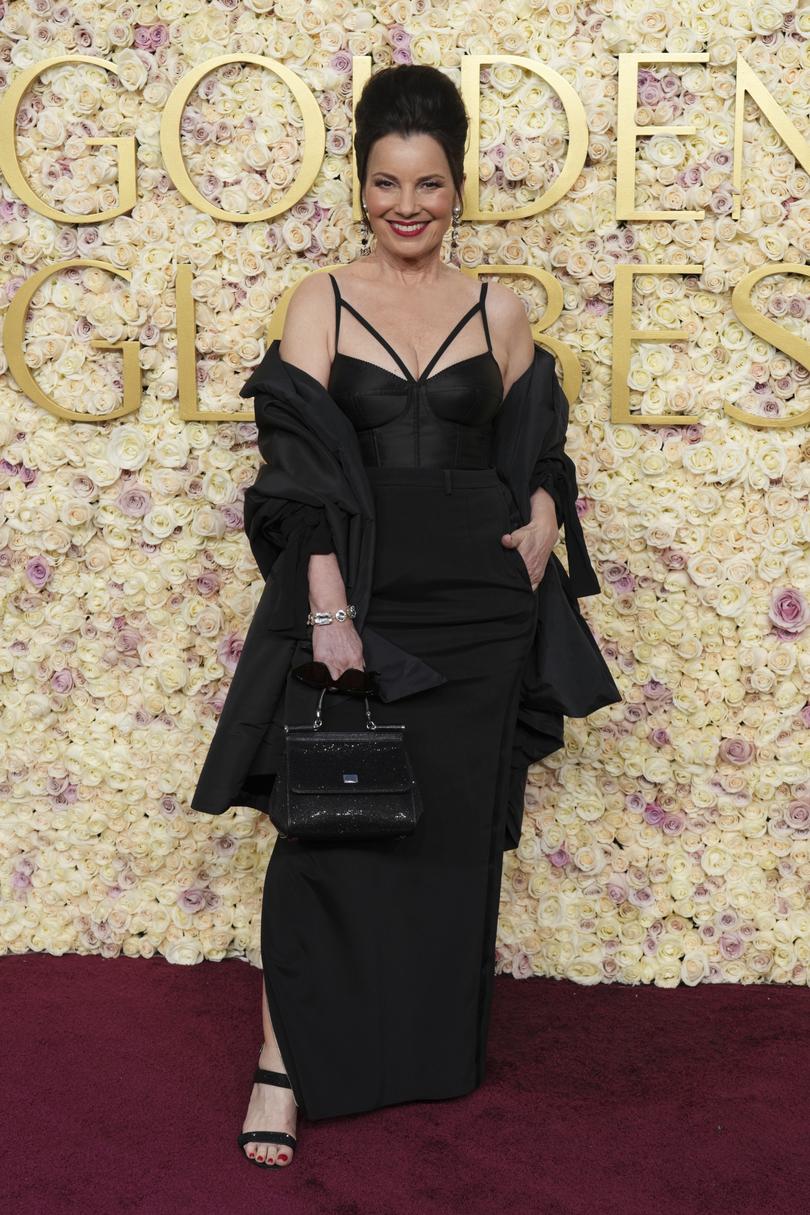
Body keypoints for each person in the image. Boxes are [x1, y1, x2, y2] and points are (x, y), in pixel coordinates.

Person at [193, 64, 621, 1168]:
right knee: (324, 829)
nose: (408, 205)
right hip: (363, 597)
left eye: (428, 183)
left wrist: (537, 513)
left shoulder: (500, 309)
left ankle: (424, 1055)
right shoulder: (320, 301)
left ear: (458, 186)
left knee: (444, 840)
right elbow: (296, 469)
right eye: (387, 182)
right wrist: (328, 612)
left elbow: (540, 440)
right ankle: (282, 1066)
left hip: (482, 610)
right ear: (361, 184)